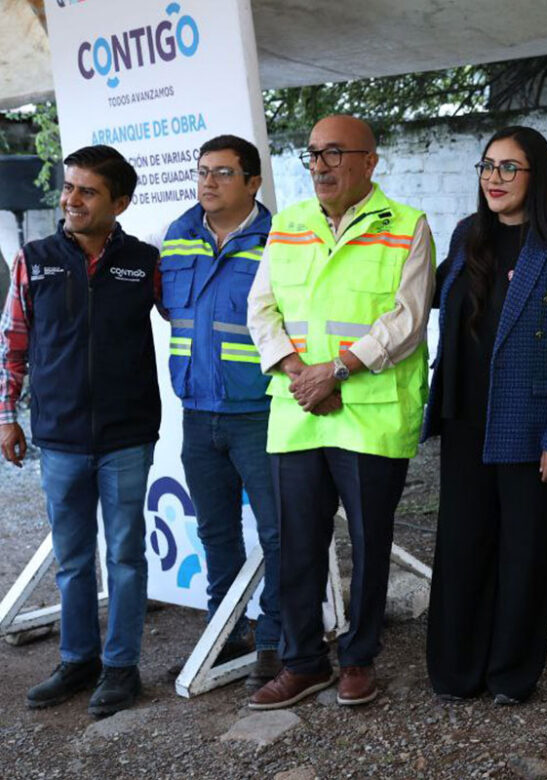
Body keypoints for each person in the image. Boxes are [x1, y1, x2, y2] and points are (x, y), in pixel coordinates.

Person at [246, 115, 435, 709]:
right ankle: (303, 662)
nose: (321, 165)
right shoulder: (291, 224)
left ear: (369, 161)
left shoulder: (407, 225)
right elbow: (262, 308)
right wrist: (302, 374)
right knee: (296, 545)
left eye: (334, 153)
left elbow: (406, 319)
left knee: (370, 543)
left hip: (370, 415)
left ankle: (358, 658)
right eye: (312, 154)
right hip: (299, 409)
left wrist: (341, 370)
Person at [422, 126, 547, 705]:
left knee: (526, 553)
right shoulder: (466, 235)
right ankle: (456, 670)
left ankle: (511, 674)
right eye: (488, 166)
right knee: (463, 546)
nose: (494, 179)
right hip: (465, 418)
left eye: (508, 169)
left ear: (536, 176)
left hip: (531, 428)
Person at [0, 145, 161, 717]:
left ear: (119, 202)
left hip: (127, 436)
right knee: (72, 559)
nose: (70, 199)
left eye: (86, 191)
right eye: (68, 187)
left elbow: (188, 314)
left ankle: (121, 668)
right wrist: (6, 417)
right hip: (59, 437)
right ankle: (78, 661)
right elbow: (13, 344)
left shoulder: (145, 261)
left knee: (124, 555)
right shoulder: (35, 258)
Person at [160, 134, 281, 691]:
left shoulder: (279, 240)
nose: (208, 182)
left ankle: (276, 640)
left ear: (253, 183)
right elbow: (171, 308)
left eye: (223, 173)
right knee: (215, 532)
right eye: (203, 171)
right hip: (196, 412)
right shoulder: (178, 237)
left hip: (258, 411)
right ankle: (226, 629)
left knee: (279, 531)